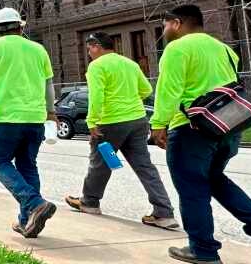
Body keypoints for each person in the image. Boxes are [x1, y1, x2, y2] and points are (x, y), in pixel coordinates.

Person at [152, 5, 251, 264]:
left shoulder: (177, 48)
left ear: (177, 23)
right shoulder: (225, 50)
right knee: (214, 179)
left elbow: (170, 89)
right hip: (227, 128)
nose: (164, 31)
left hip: (192, 129)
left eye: (165, 25)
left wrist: (159, 124)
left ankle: (202, 250)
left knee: (192, 188)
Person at [64, 32, 178, 230]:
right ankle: (164, 213)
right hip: (137, 122)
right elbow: (146, 91)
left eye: (90, 48)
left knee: (101, 163)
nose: (89, 52)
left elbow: (97, 96)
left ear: (97, 46)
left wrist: (92, 121)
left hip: (110, 125)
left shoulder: (97, 66)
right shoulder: (130, 64)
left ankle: (90, 202)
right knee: (144, 166)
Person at [0, 7, 57, 238]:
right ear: (21, 26)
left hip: (7, 118)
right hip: (35, 119)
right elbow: (48, 85)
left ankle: (35, 203)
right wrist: (51, 111)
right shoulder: (38, 50)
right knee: (28, 165)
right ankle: (27, 221)